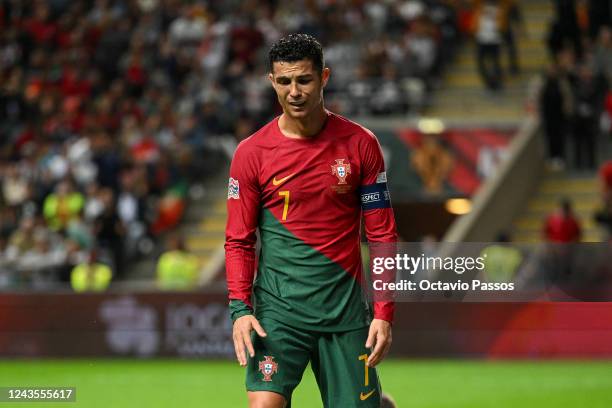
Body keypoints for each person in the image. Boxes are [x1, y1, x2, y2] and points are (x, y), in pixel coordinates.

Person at [225, 34, 397, 408]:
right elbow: (238, 239)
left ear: (324, 78)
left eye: (304, 80)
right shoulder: (250, 154)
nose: (294, 91)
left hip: (344, 313)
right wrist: (240, 309)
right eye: (284, 82)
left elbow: (382, 233)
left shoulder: (360, 144)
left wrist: (384, 311)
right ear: (272, 81)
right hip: (278, 311)